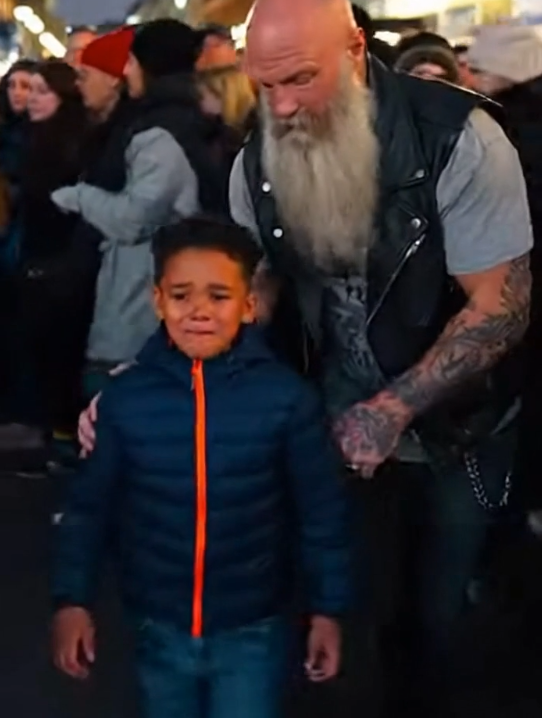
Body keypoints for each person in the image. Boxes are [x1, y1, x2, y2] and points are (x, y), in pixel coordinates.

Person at [79, 0, 533, 713]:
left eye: (300, 79)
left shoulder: (460, 138)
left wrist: (391, 409)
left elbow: (500, 306)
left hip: (462, 429)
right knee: (333, 608)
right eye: (265, 86)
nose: (283, 106)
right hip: (328, 415)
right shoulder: (258, 158)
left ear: (355, 50)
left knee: (437, 617)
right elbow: (245, 292)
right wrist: (152, 373)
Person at [51, 216, 349, 718]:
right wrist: (71, 600)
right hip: (157, 623)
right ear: (158, 301)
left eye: (219, 296)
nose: (199, 311)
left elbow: (321, 514)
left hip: (252, 627)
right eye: (181, 295)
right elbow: (88, 510)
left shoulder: (286, 399)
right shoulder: (124, 400)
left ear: (249, 305)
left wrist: (328, 610)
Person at [52, 20, 229, 396]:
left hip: (141, 306)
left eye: (132, 62)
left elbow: (134, 219)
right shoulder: (181, 120)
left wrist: (78, 197)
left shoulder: (159, 133)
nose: (127, 70)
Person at [18, 60, 91, 448]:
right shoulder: (35, 139)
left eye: (42, 91)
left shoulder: (72, 145)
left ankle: (62, 439)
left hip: (61, 266)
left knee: (59, 357)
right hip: (40, 261)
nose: (31, 98)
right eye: (30, 90)